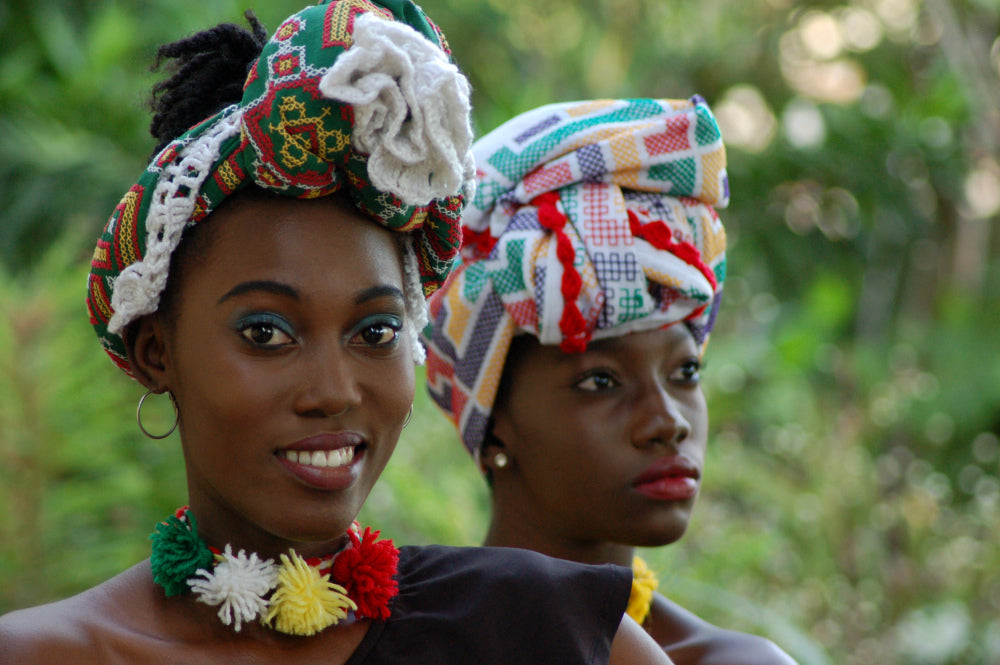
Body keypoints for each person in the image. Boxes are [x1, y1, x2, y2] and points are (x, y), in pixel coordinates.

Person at [0, 4, 673, 664]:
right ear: (156, 351)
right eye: (266, 332)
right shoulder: (49, 652)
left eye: (375, 330)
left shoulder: (545, 630)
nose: (333, 390)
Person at [423, 97, 799, 665]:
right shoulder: (396, 645)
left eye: (685, 371)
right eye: (601, 381)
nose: (667, 422)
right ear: (494, 421)